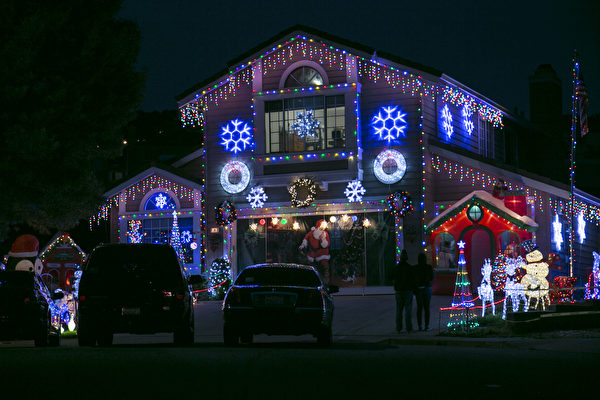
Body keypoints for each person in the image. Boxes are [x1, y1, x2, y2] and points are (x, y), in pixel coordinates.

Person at [392, 249, 416, 333]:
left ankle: (399, 327)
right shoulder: (409, 268)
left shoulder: (397, 268)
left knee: (399, 310)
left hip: (399, 291)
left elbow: (392, 277)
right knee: (408, 310)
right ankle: (408, 327)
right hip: (408, 290)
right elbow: (413, 279)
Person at [414, 253, 433, 331]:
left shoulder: (415, 268)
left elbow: (414, 278)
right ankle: (426, 325)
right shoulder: (428, 267)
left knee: (419, 308)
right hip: (427, 288)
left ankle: (420, 326)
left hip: (419, 289)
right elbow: (431, 277)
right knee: (426, 308)